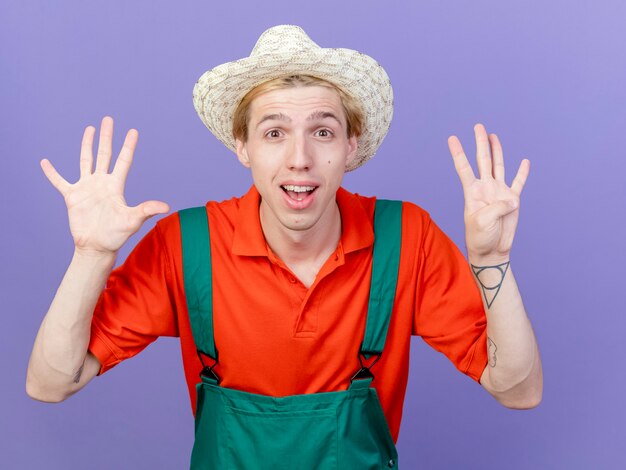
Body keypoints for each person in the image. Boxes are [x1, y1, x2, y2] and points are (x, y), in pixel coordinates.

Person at [26, 25, 542, 468]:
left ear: (350, 147)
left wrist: (493, 262)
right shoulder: (184, 246)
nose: (300, 158)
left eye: (322, 131)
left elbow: (519, 390)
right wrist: (90, 256)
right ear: (243, 147)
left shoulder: (407, 238)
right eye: (274, 133)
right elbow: (52, 383)